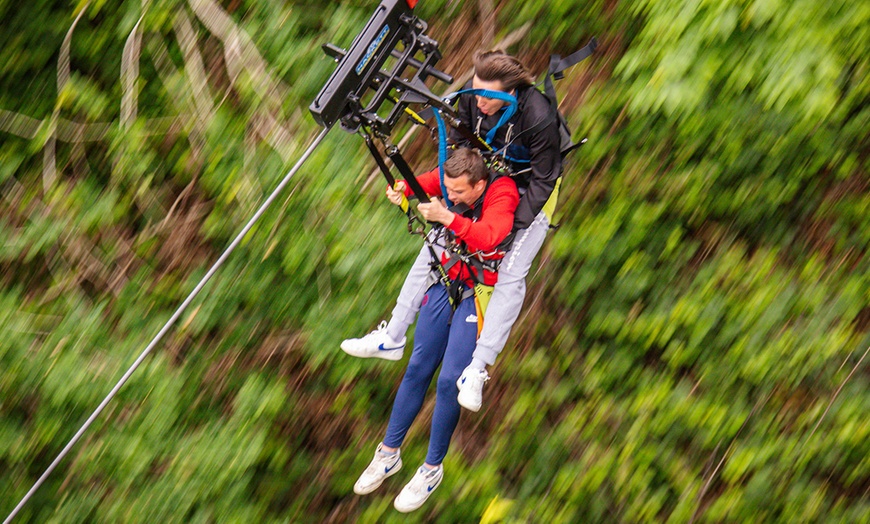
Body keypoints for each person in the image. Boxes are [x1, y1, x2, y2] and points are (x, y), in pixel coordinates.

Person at [341, 49, 563, 412]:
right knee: (433, 245)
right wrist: (416, 188)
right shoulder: (473, 102)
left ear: (509, 93)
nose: (479, 101)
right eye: (476, 92)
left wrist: (509, 226)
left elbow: (544, 179)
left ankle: (477, 368)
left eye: (487, 96)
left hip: (529, 196)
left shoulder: (538, 116)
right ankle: (394, 334)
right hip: (484, 182)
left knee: (510, 271)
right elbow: (458, 164)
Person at [351, 148, 519, 512]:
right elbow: (421, 182)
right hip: (446, 282)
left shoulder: (502, 193)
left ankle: (431, 468)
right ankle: (388, 453)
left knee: (449, 382)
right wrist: (399, 188)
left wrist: (447, 214)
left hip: (477, 290)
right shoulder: (452, 181)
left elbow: (490, 235)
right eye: (449, 190)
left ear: (479, 185)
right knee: (417, 367)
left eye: (458, 193)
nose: (451, 196)